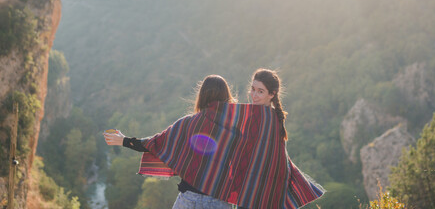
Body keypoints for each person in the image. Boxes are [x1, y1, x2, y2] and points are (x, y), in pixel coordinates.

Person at [104, 72, 324, 209]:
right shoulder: (241, 125)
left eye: (260, 91)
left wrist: (123, 141)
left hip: (189, 199)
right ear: (227, 94)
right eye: (253, 90)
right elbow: (271, 162)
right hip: (221, 202)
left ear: (202, 96)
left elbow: (155, 143)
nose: (254, 95)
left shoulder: (191, 123)